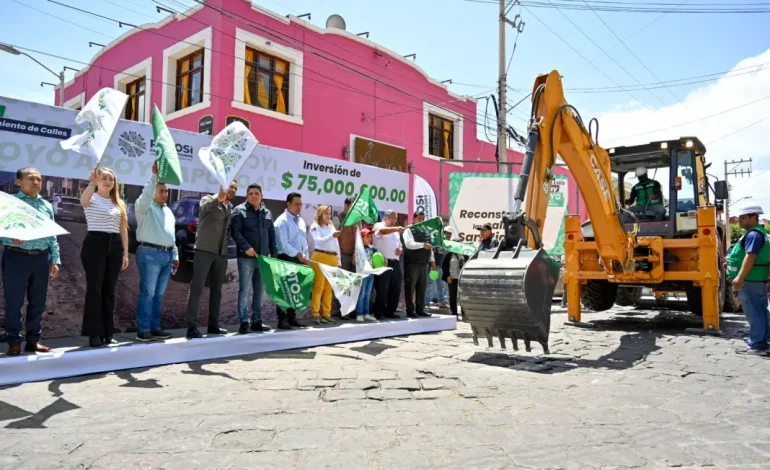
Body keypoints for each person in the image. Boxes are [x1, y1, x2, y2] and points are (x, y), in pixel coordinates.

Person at [1, 168, 60, 356]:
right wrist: (11, 239)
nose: (36, 182)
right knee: (14, 301)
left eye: (39, 179)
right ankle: (14, 341)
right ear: (18, 182)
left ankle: (33, 340)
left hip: (41, 258)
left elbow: (52, 236)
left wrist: (55, 259)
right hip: (16, 257)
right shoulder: (11, 203)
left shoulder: (47, 206)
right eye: (31, 179)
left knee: (38, 301)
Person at [80, 167, 129, 348]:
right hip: (95, 244)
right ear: (97, 180)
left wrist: (125, 252)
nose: (108, 181)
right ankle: (94, 333)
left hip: (115, 246)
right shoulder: (91, 197)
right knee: (95, 289)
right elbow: (83, 201)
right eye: (104, 178)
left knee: (109, 290)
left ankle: (108, 331)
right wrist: (91, 183)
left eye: (111, 178)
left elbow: (123, 228)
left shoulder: (119, 203)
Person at [185, 180, 238, 339]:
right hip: (204, 251)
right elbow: (204, 209)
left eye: (235, 188)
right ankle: (191, 327)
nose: (233, 190)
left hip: (221, 254)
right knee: (197, 288)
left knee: (217, 291)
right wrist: (218, 198)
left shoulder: (230, 208)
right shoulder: (208, 200)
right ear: (223, 186)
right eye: (231, 187)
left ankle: (213, 325)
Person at [133, 162, 178, 342]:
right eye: (161, 191)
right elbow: (144, 197)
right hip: (149, 254)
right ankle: (143, 330)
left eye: (166, 191)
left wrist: (175, 255)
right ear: (153, 191)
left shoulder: (168, 211)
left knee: (158, 295)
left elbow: (171, 235)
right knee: (148, 293)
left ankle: (155, 327)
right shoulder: (144, 207)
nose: (164, 194)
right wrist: (154, 177)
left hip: (167, 256)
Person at [231, 183, 277, 335]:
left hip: (263, 260)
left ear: (262, 196)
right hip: (246, 258)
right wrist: (246, 247)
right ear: (246, 196)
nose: (254, 196)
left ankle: (257, 322)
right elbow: (235, 232)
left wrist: (273, 258)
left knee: (259, 291)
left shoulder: (267, 213)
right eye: (251, 193)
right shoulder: (239, 211)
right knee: (244, 290)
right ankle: (244, 322)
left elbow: (272, 236)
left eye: (257, 193)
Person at [727, 204, 770, 355]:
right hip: (756, 279)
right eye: (740, 217)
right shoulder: (758, 233)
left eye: (744, 217)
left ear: (754, 217)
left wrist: (740, 277)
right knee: (760, 310)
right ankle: (763, 341)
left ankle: (758, 345)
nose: (740, 220)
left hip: (750, 280)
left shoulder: (753, 235)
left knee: (754, 312)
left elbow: (750, 256)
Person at [274, 192, 310, 329]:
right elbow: (283, 244)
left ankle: (291, 317)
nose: (299, 207)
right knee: (284, 290)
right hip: (286, 258)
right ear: (288, 204)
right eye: (296, 204)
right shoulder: (281, 221)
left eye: (300, 204)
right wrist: (298, 254)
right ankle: (282, 320)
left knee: (294, 290)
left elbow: (303, 241)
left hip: (299, 259)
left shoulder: (300, 220)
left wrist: (305, 256)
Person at [309, 205, 341, 325]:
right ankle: (315, 314)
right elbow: (318, 241)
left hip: (332, 257)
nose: (328, 216)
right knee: (319, 286)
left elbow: (336, 244)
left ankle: (327, 314)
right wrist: (331, 236)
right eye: (326, 213)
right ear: (320, 214)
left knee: (329, 287)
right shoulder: (315, 226)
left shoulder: (331, 226)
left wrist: (339, 260)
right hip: (320, 256)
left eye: (329, 213)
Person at [372, 210, 404, 319]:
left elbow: (400, 245)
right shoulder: (379, 225)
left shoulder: (395, 232)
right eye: (392, 218)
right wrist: (396, 228)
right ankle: (379, 312)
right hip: (383, 262)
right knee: (383, 288)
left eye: (395, 219)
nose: (394, 221)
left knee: (396, 287)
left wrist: (400, 249)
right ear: (385, 217)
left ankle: (390, 311)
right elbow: (382, 231)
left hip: (395, 261)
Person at [402, 211, 434, 318]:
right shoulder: (408, 230)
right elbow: (409, 244)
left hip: (424, 263)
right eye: (419, 218)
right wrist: (422, 245)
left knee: (422, 287)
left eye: (423, 218)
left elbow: (430, 246)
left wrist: (432, 260)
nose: (421, 220)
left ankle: (420, 309)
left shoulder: (426, 230)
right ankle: (410, 310)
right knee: (410, 287)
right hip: (412, 263)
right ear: (414, 219)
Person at [425, 226, 452, 309]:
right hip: (434, 265)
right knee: (430, 284)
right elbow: (431, 251)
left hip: (440, 266)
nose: (448, 235)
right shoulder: (435, 240)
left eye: (449, 233)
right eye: (447, 233)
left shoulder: (446, 242)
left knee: (440, 285)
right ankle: (427, 302)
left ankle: (441, 302)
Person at [442, 238, 469, 320]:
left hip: (462, 278)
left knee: (462, 296)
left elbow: (467, 265)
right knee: (452, 296)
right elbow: (444, 265)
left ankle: (464, 313)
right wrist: (447, 276)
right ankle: (454, 313)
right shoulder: (449, 254)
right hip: (452, 278)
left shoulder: (465, 254)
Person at [355, 228, 378, 322]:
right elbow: (354, 261)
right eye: (367, 237)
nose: (369, 238)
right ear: (361, 238)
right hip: (362, 274)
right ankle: (359, 314)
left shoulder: (372, 248)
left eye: (370, 237)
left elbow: (377, 260)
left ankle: (366, 313)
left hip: (370, 274)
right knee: (362, 294)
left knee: (368, 294)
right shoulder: (359, 249)